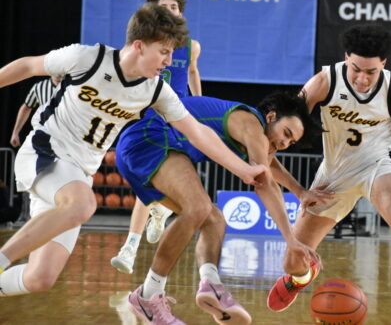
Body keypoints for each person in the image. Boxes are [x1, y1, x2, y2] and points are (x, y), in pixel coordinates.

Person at [0, 4, 265, 305]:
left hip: (77, 173)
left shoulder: (154, 91)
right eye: (164, 52)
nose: (169, 60)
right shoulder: (88, 58)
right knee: (84, 204)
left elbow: (197, 132)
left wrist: (243, 169)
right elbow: (28, 66)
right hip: (46, 151)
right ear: (139, 45)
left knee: (40, 277)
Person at [266, 24, 391, 324]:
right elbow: (277, 138)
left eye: (371, 72)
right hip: (335, 174)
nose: (362, 78)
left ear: (384, 65)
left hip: (381, 164)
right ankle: (300, 278)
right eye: (356, 69)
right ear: (346, 57)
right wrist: (300, 191)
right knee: (292, 260)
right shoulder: (325, 81)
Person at [115, 93, 326, 324]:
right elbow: (266, 184)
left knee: (213, 218)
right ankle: (148, 296)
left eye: (291, 142)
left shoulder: (255, 138)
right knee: (198, 207)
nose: (285, 144)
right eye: (286, 133)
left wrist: (300, 191)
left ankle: (211, 283)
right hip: (150, 137)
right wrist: (291, 241)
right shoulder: (251, 124)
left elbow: (271, 167)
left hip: (145, 149)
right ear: (271, 116)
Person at [111, 0, 203, 272]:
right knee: (146, 177)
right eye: (163, 7)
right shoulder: (141, 42)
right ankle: (132, 245)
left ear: (181, 13)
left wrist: (198, 105)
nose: (169, 11)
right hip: (148, 111)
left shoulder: (192, 46)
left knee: (171, 176)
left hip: (177, 115)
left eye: (173, 7)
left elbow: (191, 72)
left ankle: (155, 218)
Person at [10, 74, 64, 147]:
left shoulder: (74, 86)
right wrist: (15, 132)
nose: (58, 73)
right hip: (46, 135)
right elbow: (26, 108)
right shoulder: (39, 87)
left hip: (69, 134)